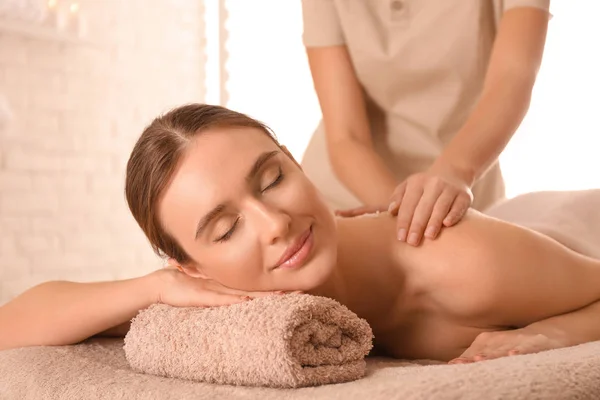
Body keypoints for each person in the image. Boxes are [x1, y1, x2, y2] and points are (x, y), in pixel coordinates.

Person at [1, 104, 599, 365]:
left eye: (271, 179)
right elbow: (11, 325)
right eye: (227, 228)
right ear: (194, 267)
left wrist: (552, 332)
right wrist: (151, 288)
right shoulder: (219, 299)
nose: (275, 224)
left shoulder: (455, 258)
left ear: (296, 160)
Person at [300, 0, 551, 247]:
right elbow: (347, 137)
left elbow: (512, 77)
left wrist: (455, 171)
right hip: (353, 200)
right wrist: (403, 213)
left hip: (461, 199)